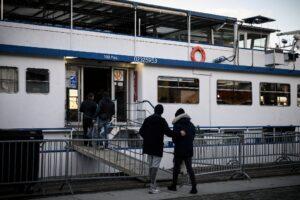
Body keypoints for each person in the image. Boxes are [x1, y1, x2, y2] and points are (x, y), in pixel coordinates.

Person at [139, 104, 173, 194]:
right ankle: (152, 187)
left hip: (148, 146)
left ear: (154, 110)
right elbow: (169, 133)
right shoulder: (162, 121)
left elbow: (141, 131)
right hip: (157, 146)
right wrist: (178, 133)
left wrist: (147, 138)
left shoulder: (147, 119)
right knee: (155, 167)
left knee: (150, 165)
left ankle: (152, 184)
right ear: (162, 112)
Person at [168, 108, 197, 194]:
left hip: (179, 150)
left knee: (176, 168)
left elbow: (174, 138)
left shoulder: (177, 125)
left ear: (177, 116)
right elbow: (193, 136)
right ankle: (194, 187)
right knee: (190, 168)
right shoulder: (191, 125)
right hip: (189, 149)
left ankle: (174, 186)